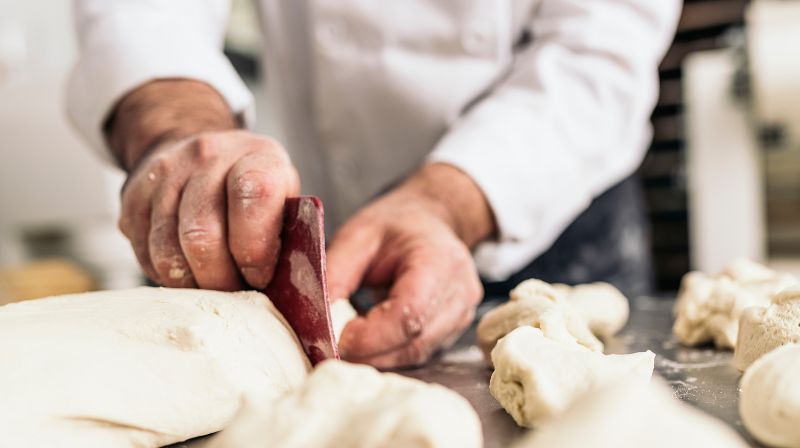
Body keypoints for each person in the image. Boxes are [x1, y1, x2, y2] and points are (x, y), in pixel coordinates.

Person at [68, 0, 680, 368]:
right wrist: (178, 123)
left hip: (547, 204)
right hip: (320, 244)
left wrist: (448, 203)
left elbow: (598, 45)